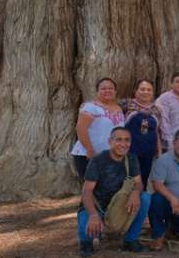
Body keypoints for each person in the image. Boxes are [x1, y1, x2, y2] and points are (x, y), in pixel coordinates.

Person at [77, 127, 150, 256]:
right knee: (86, 222)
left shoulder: (131, 159)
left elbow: (138, 183)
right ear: (110, 141)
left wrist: (135, 192)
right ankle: (86, 242)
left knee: (145, 198)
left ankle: (130, 240)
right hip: (98, 207)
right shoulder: (98, 160)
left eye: (127, 140)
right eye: (119, 140)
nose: (123, 144)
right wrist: (93, 215)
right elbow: (86, 192)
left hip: (119, 206)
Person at [71, 78, 126, 181]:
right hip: (89, 154)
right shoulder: (91, 107)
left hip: (110, 156)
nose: (107, 91)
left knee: (107, 188)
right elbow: (81, 128)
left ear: (115, 91)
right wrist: (90, 150)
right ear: (97, 91)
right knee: (91, 188)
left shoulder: (119, 109)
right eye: (103, 88)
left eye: (111, 88)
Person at [155, 72, 179, 152]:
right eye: (178, 81)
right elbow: (164, 122)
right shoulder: (164, 99)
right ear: (171, 84)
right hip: (170, 144)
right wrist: (171, 142)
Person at [123, 110, 160, 188]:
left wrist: (159, 150)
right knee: (131, 178)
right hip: (133, 152)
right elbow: (124, 130)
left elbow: (156, 133)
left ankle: (142, 195)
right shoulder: (131, 112)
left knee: (145, 177)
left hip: (148, 153)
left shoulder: (155, 113)